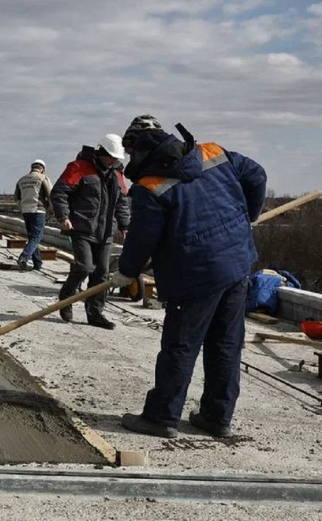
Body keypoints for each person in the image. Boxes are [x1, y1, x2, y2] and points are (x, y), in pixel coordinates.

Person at [114, 116, 266, 439]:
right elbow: (258, 175)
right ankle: (216, 417)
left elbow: (142, 239)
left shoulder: (150, 186)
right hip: (237, 265)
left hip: (194, 275)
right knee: (226, 344)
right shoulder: (211, 152)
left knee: (181, 346)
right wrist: (246, 219)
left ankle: (161, 417)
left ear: (139, 148)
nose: (129, 160)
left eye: (129, 153)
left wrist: (125, 272)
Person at [51, 134, 129, 329]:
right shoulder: (79, 167)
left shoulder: (117, 174)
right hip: (82, 228)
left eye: (116, 158)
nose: (113, 161)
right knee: (85, 268)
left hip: (106, 232)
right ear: (102, 152)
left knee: (102, 273)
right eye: (111, 157)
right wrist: (63, 217)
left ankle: (95, 313)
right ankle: (66, 299)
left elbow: (122, 202)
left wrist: (125, 225)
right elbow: (59, 192)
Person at [14, 159, 53, 270]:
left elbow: (16, 197)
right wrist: (52, 209)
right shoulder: (42, 178)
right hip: (38, 210)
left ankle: (37, 263)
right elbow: (51, 195)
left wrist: (22, 206)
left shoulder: (21, 180)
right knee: (37, 237)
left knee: (32, 237)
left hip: (26, 211)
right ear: (43, 169)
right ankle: (24, 257)